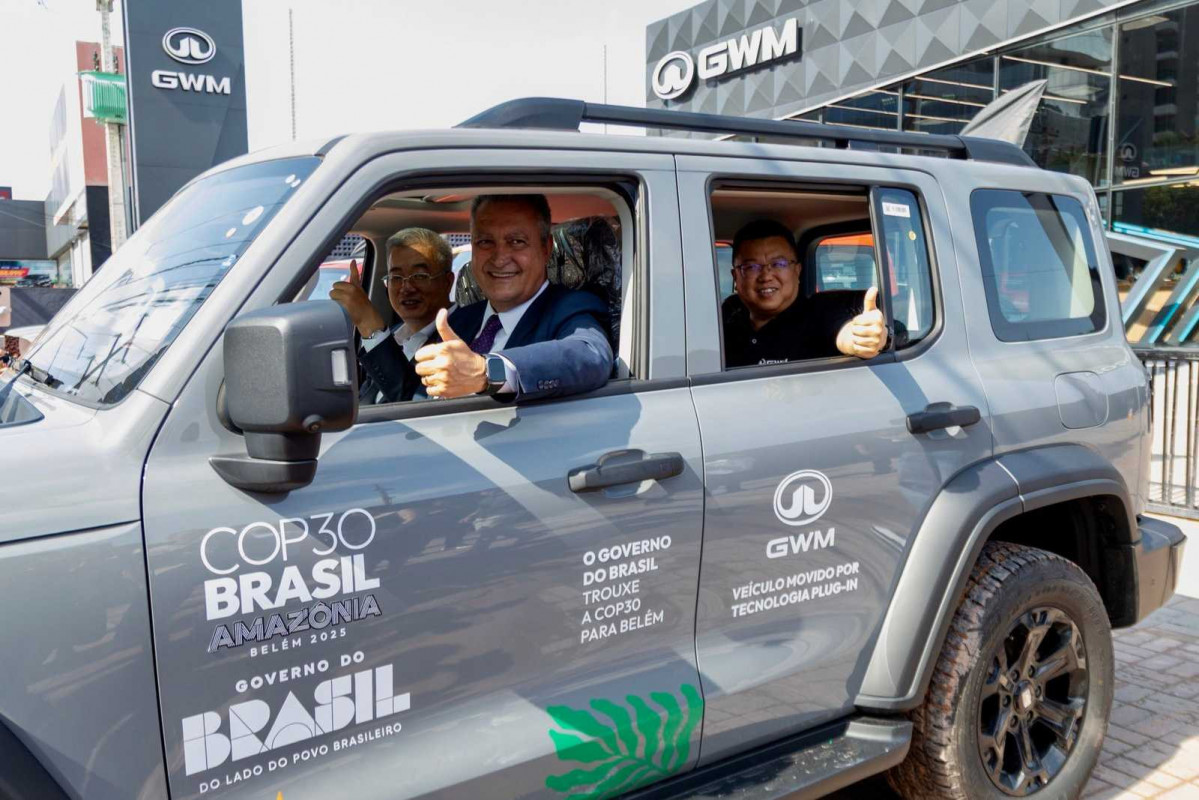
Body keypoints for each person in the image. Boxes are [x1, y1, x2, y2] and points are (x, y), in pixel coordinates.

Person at [353, 194, 613, 403]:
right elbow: (411, 395)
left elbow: (590, 356)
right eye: (485, 242)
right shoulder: (463, 318)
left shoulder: (570, 308)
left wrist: (486, 372)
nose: (499, 258)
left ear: (546, 249)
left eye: (517, 241)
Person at [722, 220, 887, 368]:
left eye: (778, 264)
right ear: (735, 277)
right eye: (751, 267)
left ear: (797, 271)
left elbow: (845, 333)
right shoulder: (730, 310)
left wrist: (864, 338)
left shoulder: (819, 313)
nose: (766, 276)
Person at [329, 227, 455, 404]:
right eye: (396, 277)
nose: (407, 287)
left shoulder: (463, 333)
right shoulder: (394, 335)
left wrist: (368, 323)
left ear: (447, 282)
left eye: (419, 276)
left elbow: (416, 405)